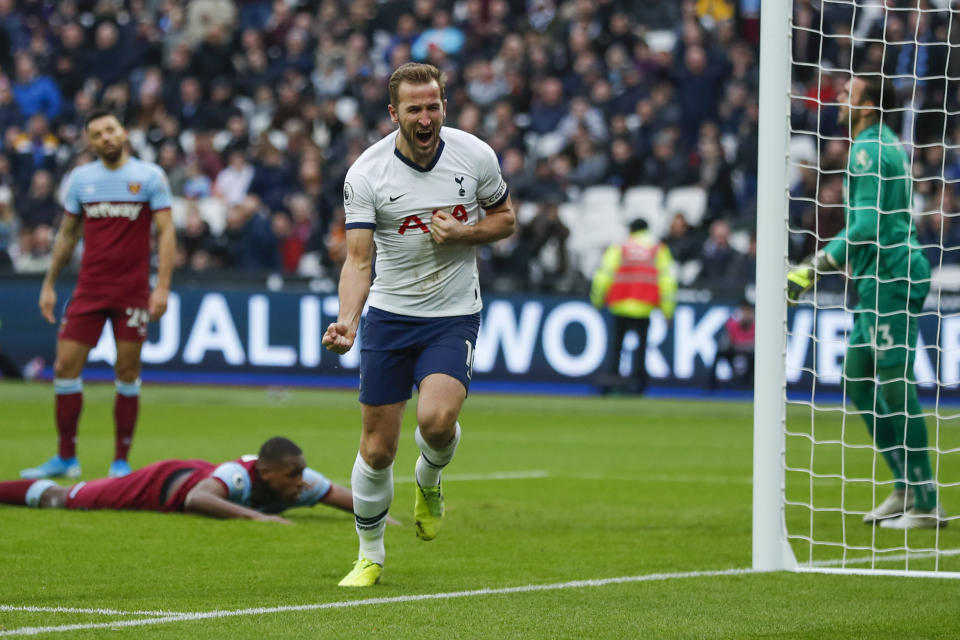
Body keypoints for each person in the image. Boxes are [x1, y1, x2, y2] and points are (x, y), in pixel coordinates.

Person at [321, 62, 516, 587]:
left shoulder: (474, 155)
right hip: (390, 316)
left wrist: (463, 234)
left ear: (443, 107)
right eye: (415, 109)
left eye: (434, 106)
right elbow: (359, 261)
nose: (426, 117)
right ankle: (370, 554)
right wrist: (347, 321)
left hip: (453, 314)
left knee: (435, 420)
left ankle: (428, 477)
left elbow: (506, 220)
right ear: (394, 113)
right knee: (377, 448)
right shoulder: (367, 174)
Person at [787, 74, 945, 529]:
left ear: (869, 104)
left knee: (894, 382)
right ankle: (904, 486)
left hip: (891, 272)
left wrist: (814, 265)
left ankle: (927, 499)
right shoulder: (884, 144)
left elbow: (868, 225)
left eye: (849, 92)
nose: (840, 97)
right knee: (858, 376)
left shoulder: (868, 148)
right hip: (876, 276)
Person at [20, 109, 177, 481]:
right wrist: (49, 283)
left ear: (123, 133)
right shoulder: (80, 180)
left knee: (126, 372)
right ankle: (65, 458)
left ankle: (121, 462)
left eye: (110, 130)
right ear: (89, 142)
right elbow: (67, 235)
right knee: (64, 368)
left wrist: (163, 286)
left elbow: (167, 233)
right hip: (89, 289)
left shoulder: (149, 177)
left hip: (132, 291)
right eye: (96, 134)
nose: (105, 138)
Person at [1, 437, 353, 523]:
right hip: (161, 481)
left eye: (300, 473)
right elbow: (196, 499)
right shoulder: (237, 478)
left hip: (196, 472)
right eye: (292, 474)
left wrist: (385, 520)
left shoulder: (300, 487)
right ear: (265, 473)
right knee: (66, 498)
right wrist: (261, 518)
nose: (300, 481)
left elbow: (348, 499)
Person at [590, 218, 677, 395]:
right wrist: (668, 312)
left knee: (616, 348)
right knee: (641, 348)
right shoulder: (658, 249)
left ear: (631, 229)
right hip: (644, 307)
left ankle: (612, 383)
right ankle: (639, 385)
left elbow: (603, 276)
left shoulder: (620, 247)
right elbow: (667, 282)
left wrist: (597, 301)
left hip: (620, 304)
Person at [708, 299, 755, 391]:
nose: (745, 314)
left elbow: (755, 343)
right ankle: (711, 385)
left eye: (747, 311)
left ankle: (750, 384)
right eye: (743, 310)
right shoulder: (733, 323)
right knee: (719, 354)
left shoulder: (756, 324)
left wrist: (744, 346)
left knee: (753, 358)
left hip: (749, 351)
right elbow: (729, 341)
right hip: (735, 349)